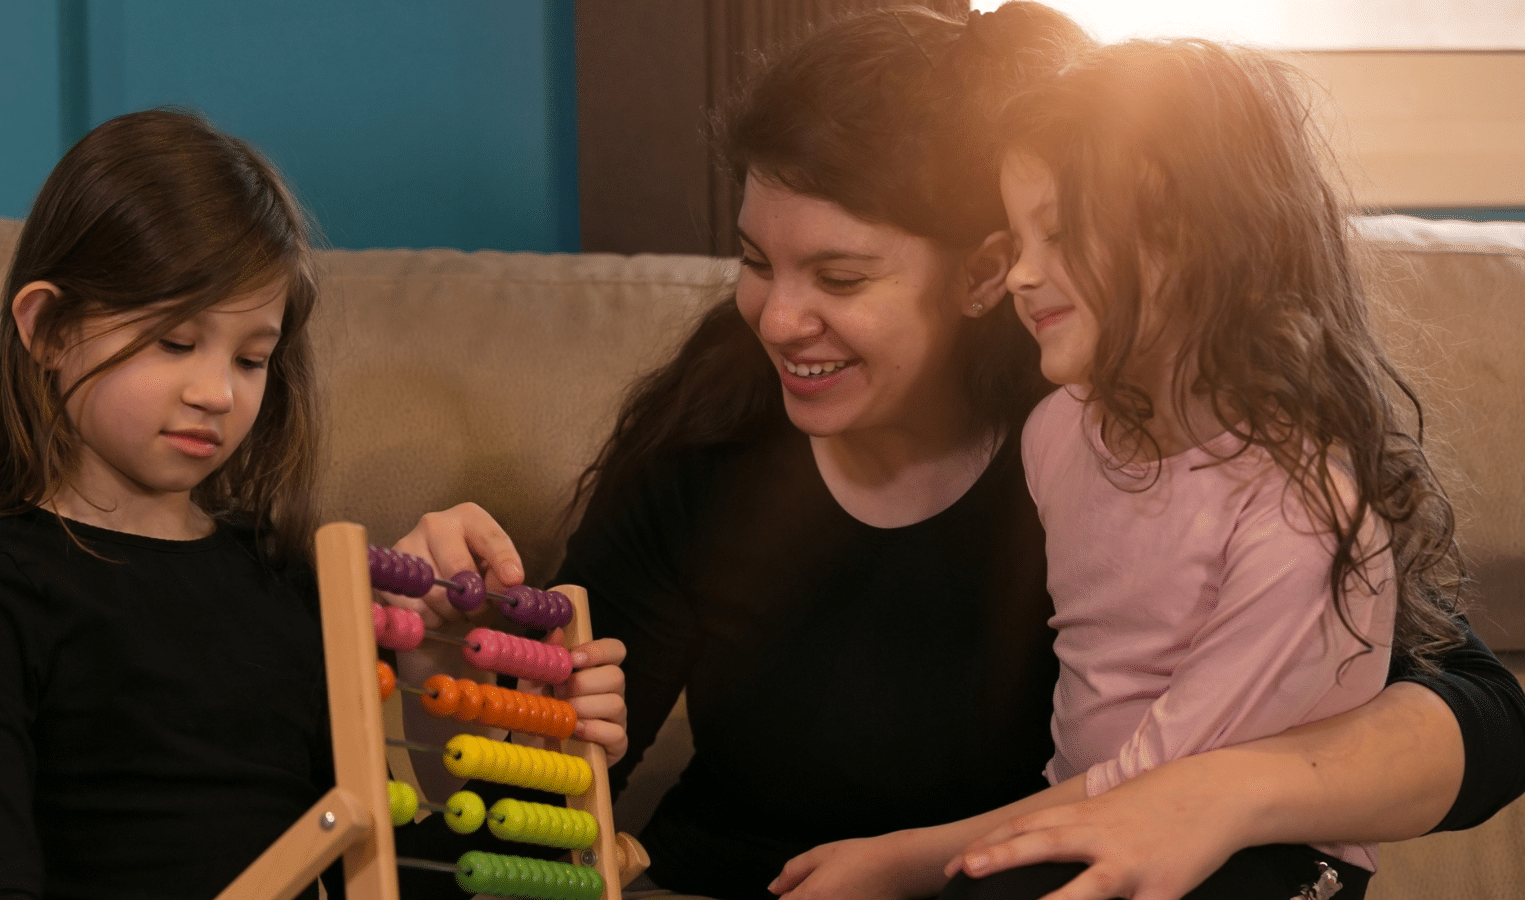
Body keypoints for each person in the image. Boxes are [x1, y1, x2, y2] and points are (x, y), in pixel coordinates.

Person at [395, 6, 1525, 900]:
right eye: (754, 262)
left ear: (993, 268)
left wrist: (1218, 795)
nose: (777, 320)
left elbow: (1480, 711)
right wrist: (454, 692)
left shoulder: (1132, 429)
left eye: (841, 278)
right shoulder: (715, 432)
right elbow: (537, 823)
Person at [0, 108, 627, 900]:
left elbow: (398, 865)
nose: (216, 393)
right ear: (48, 328)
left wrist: (528, 737)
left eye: (253, 358)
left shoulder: (290, 585)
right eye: (174, 342)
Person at [929, 37, 1475, 900]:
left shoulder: (1303, 516)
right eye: (1018, 237)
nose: (1023, 275)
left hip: (1269, 853)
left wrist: (907, 857)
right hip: (1096, 803)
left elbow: (1171, 770)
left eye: (1061, 234)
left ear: (1190, 238)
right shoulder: (1057, 432)